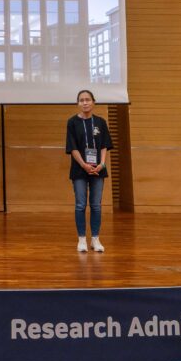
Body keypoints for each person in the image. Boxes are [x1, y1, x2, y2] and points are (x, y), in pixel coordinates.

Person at [65, 89, 113, 253]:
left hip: (98, 169)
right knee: (80, 205)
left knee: (96, 205)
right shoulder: (72, 122)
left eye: (87, 99)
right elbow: (72, 147)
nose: (84, 102)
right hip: (79, 169)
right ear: (78, 103)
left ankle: (95, 239)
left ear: (93, 102)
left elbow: (104, 145)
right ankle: (82, 240)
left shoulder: (100, 122)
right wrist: (84, 165)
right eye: (81, 100)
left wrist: (101, 164)